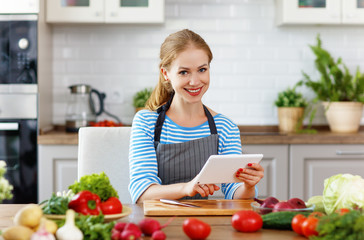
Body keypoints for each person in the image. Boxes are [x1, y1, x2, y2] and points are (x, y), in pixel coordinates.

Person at [128, 29, 264, 203]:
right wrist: (186, 187)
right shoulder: (147, 122)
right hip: (156, 223)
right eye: (184, 72)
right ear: (165, 74)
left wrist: (248, 186)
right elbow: (141, 194)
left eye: (202, 70)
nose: (195, 81)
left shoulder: (224, 127)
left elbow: (233, 192)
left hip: (203, 223)